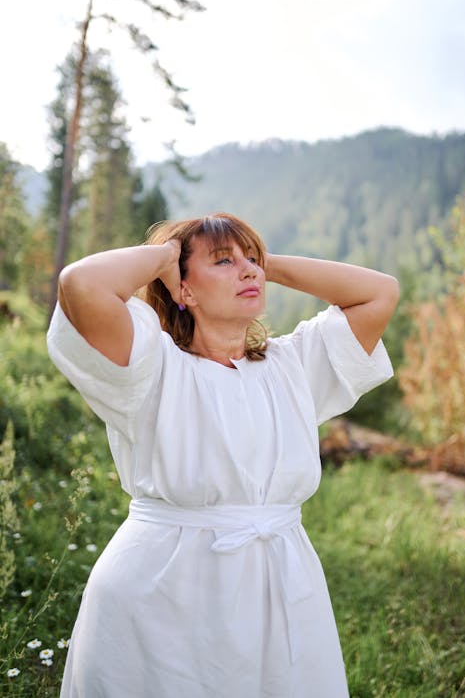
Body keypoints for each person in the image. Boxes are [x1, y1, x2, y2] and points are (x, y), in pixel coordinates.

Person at [47, 212, 399, 698]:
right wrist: (167, 257)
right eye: (222, 261)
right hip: (162, 595)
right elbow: (80, 284)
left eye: (250, 260)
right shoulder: (149, 366)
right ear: (183, 290)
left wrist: (264, 265)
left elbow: (380, 292)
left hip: (281, 586)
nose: (247, 270)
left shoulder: (292, 366)